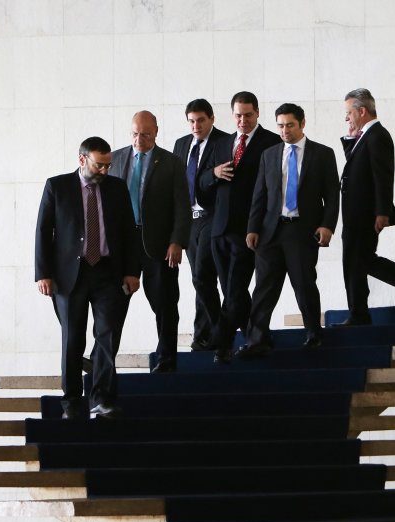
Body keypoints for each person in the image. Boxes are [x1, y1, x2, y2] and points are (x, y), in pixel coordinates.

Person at [35, 136, 140, 419]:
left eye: (108, 165)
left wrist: (133, 271)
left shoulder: (117, 188)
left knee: (107, 336)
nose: (105, 171)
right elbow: (44, 231)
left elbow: (130, 231)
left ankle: (103, 399)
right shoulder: (57, 186)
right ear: (82, 159)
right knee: (72, 340)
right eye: (99, 165)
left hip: (108, 273)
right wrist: (43, 274)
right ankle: (71, 402)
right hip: (70, 277)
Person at [234, 103, 340, 358]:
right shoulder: (269, 155)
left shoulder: (322, 154)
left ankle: (313, 334)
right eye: (280, 126)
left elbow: (332, 196)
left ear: (302, 123)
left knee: (304, 284)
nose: (284, 131)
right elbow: (259, 195)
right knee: (263, 288)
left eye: (289, 125)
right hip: (270, 232)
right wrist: (252, 228)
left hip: (302, 231)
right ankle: (257, 340)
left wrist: (327, 226)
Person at [338, 88, 395, 326]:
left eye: (349, 113)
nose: (346, 118)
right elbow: (358, 168)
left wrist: (382, 212)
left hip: (365, 213)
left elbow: (383, 176)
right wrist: (351, 139)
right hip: (358, 213)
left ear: (361, 111)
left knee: (354, 261)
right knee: (362, 261)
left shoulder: (378, 135)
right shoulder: (366, 136)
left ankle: (359, 313)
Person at [199, 91, 281, 363]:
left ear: (257, 113)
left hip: (249, 230)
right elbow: (200, 184)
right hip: (219, 228)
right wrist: (213, 174)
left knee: (235, 290)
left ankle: (219, 340)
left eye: (248, 115)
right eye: (238, 115)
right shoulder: (221, 143)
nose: (243, 121)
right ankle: (256, 338)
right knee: (231, 292)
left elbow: (272, 189)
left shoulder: (271, 142)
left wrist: (258, 226)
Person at [108, 111, 190, 372]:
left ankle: (166, 360)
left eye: (144, 134)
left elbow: (182, 206)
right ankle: (104, 359)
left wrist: (177, 241)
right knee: (113, 305)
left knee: (165, 304)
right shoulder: (116, 158)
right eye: (134, 134)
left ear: (156, 131)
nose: (138, 140)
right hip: (122, 246)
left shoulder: (171, 162)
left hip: (158, 244)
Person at [172, 99, 229, 352]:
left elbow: (223, 177)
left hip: (212, 217)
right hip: (188, 220)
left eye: (201, 120)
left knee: (201, 276)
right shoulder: (181, 144)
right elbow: (177, 183)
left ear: (212, 119)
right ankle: (202, 336)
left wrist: (212, 175)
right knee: (200, 280)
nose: (196, 125)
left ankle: (220, 330)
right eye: (191, 121)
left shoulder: (224, 142)